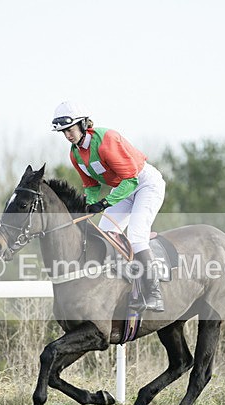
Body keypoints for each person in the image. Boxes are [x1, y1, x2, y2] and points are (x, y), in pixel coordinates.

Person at [51, 101, 165, 312]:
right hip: (123, 188)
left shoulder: (106, 141)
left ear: (83, 124)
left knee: (137, 237)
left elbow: (131, 180)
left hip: (145, 184)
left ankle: (154, 293)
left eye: (70, 129)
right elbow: (91, 185)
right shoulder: (75, 154)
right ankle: (122, 283)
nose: (67, 135)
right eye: (63, 132)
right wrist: (89, 205)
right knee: (106, 234)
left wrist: (104, 203)